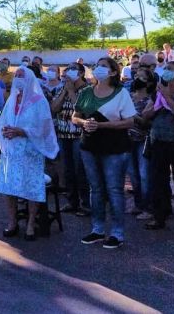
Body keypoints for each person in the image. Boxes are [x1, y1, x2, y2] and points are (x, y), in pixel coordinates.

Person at [73, 57, 137, 249]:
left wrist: (102, 125)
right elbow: (75, 117)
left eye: (103, 66)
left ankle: (117, 233)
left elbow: (129, 121)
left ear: (113, 72)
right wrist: (84, 123)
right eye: (97, 65)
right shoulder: (85, 92)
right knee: (96, 189)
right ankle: (97, 229)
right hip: (89, 147)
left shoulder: (121, 94)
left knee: (115, 189)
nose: (98, 69)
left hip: (115, 148)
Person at [0, 67, 59, 240]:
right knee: (9, 187)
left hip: (31, 151)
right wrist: (5, 130)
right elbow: (3, 120)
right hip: (12, 151)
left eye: (21, 76)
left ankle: (31, 223)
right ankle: (12, 222)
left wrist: (22, 131)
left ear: (30, 79)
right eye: (16, 76)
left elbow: (44, 128)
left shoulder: (39, 101)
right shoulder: (12, 99)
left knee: (31, 187)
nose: (18, 78)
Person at [142, 61, 174, 232]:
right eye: (165, 69)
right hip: (158, 142)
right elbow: (146, 114)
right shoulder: (158, 92)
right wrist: (158, 102)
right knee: (158, 181)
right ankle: (160, 216)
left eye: (170, 69)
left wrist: (168, 98)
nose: (165, 72)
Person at [49, 63, 90, 215]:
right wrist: (65, 90)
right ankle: (72, 202)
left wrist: (72, 92)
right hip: (63, 134)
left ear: (80, 73)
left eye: (72, 69)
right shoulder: (62, 87)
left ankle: (85, 204)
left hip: (79, 135)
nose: (68, 72)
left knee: (81, 170)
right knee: (68, 170)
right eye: (67, 69)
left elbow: (83, 111)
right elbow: (54, 108)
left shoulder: (88, 89)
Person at [127, 67, 155, 219]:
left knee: (144, 175)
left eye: (142, 78)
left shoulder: (151, 99)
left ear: (149, 82)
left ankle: (148, 208)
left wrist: (132, 116)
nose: (137, 79)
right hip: (128, 139)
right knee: (133, 174)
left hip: (144, 140)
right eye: (136, 76)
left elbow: (147, 122)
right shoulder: (129, 97)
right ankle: (138, 205)